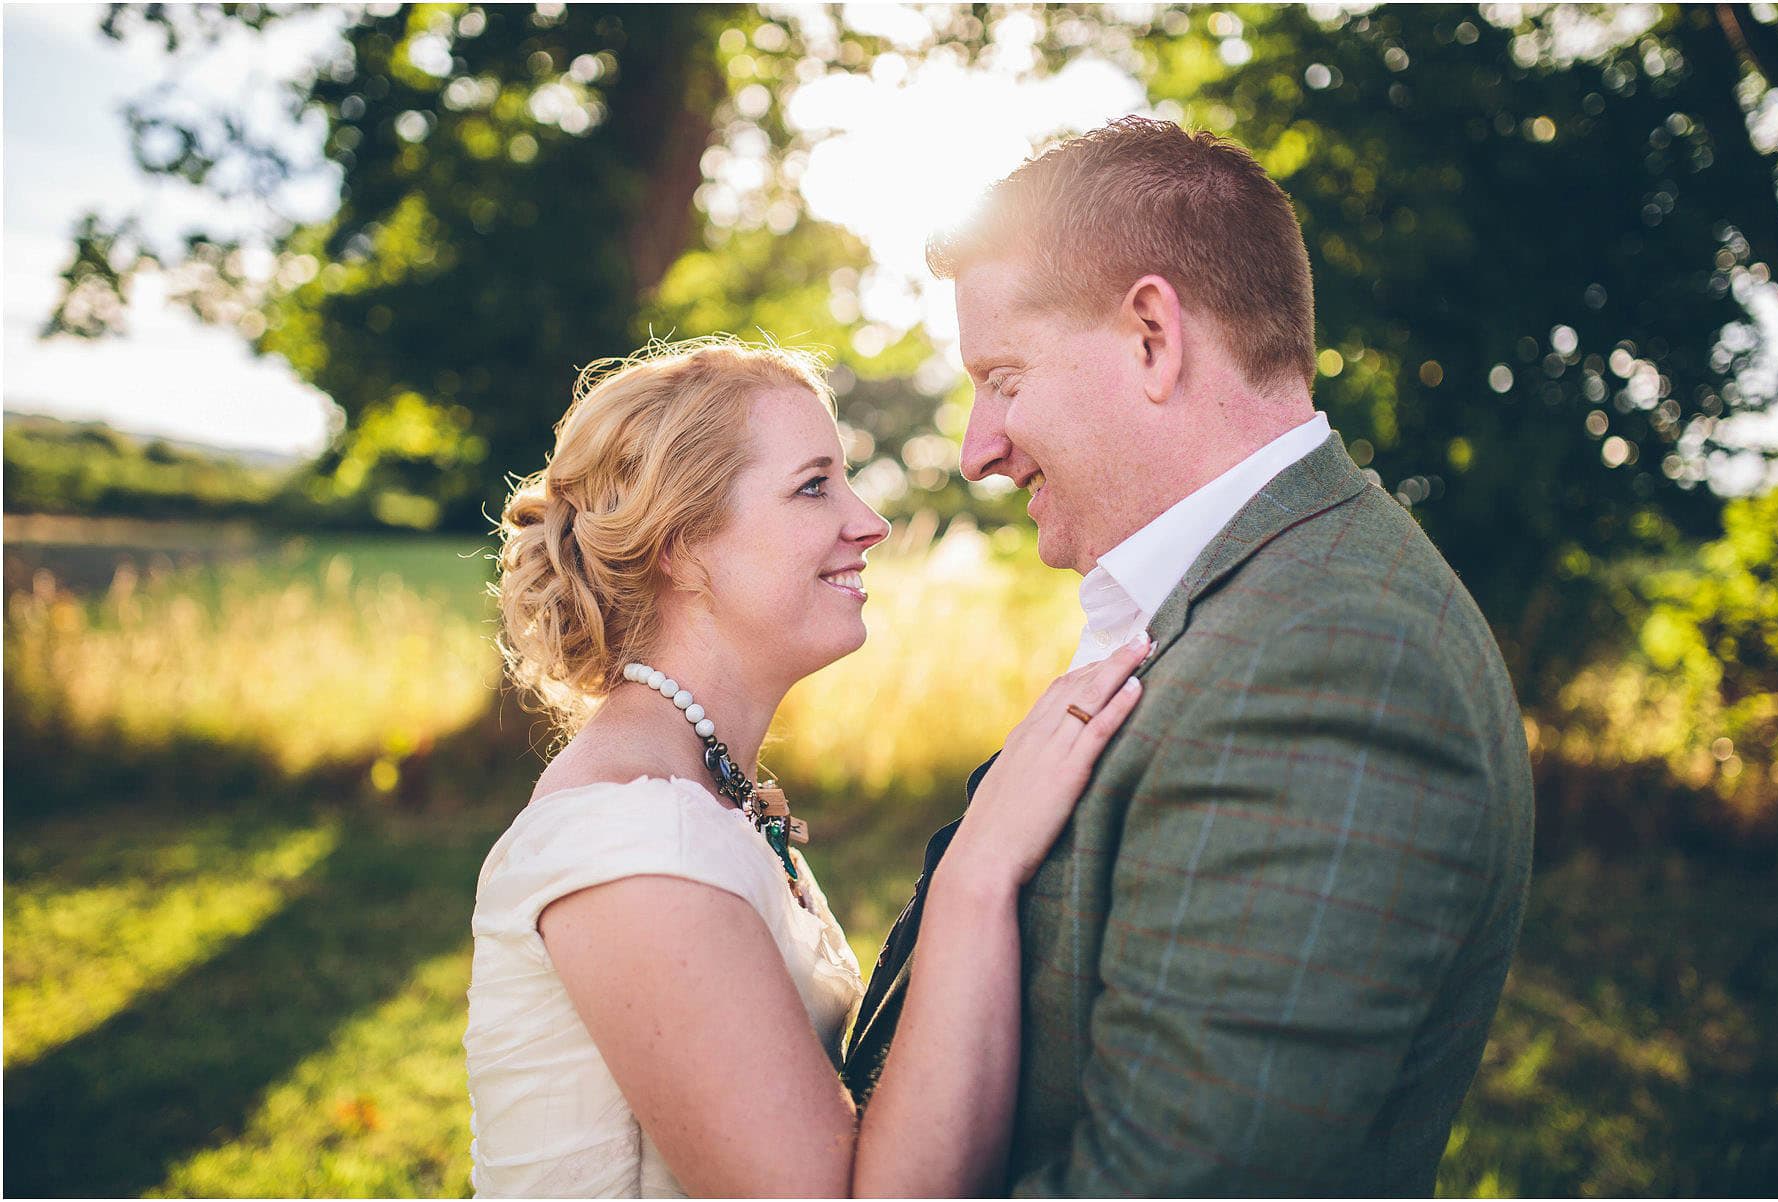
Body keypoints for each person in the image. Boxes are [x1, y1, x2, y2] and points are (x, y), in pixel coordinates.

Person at [842, 117, 1536, 1196]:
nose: (978, 447)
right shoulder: (1250, 594)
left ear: (1152, 336)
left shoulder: (1333, 662)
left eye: (1004, 377)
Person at [463, 337, 1148, 1197]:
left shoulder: (707, 791)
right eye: (813, 486)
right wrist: (981, 868)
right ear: (679, 543)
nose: (871, 522)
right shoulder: (631, 838)